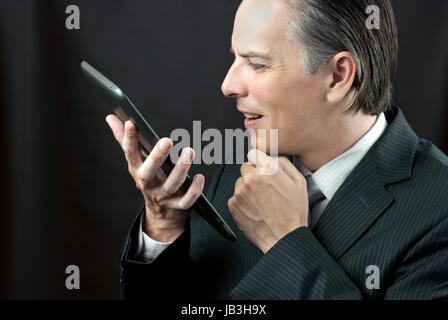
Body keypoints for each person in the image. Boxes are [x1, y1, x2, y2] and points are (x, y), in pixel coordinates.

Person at [106, 0, 448, 299]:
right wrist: (164, 225)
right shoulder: (244, 162)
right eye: (235, 58)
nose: (227, 85)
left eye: (256, 64)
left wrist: (286, 241)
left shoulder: (438, 210)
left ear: (338, 76)